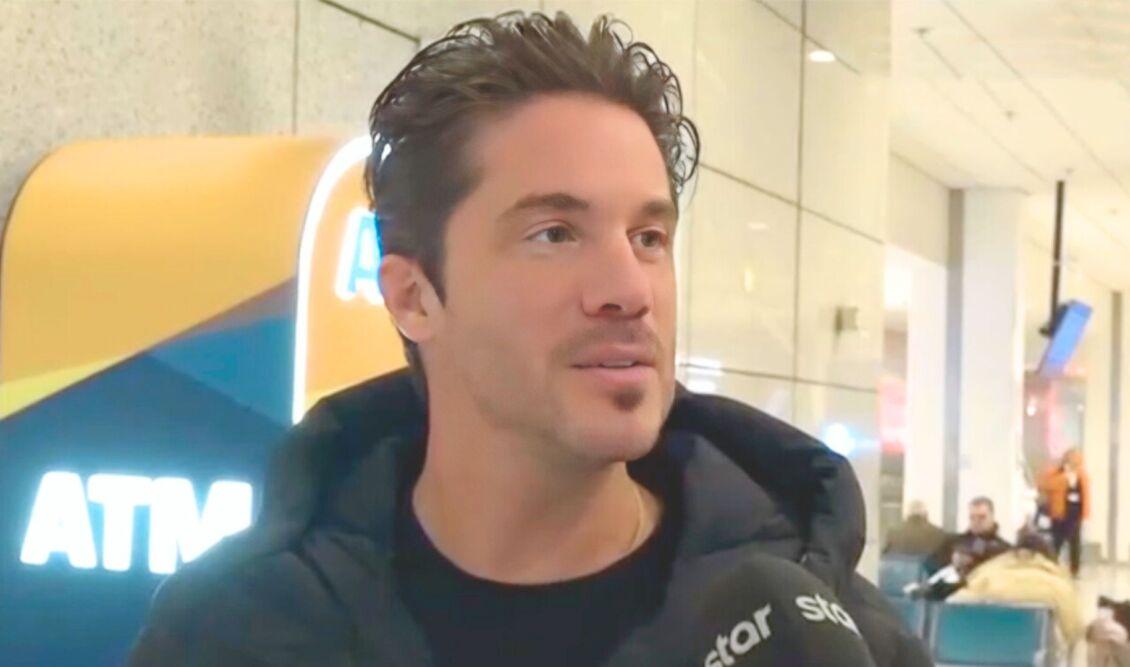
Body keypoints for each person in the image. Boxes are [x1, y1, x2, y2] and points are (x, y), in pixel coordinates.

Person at [127, 11, 929, 667]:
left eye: (649, 237)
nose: (630, 290)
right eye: (555, 233)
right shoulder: (236, 633)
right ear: (413, 296)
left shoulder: (831, 639)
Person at [949, 528, 1082, 649]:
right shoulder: (1057, 586)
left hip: (983, 648)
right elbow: (1073, 631)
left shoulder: (986, 575)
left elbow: (955, 604)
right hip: (1033, 655)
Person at [928, 496, 1012, 574]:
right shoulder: (953, 543)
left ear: (992, 517)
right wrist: (952, 564)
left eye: (982, 517)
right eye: (972, 517)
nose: (976, 522)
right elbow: (931, 566)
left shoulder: (1005, 550)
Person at [1039, 448, 1090, 577]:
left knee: (1075, 543)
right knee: (1057, 541)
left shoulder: (1081, 475)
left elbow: (1085, 493)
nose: (1074, 464)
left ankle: (1075, 569)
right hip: (1059, 513)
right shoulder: (1055, 473)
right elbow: (1045, 486)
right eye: (1071, 460)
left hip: (1075, 512)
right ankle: (1051, 566)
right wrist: (1065, 478)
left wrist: (1084, 512)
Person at [883, 499, 948, 557]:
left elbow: (886, 553)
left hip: (898, 566)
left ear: (907, 514)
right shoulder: (937, 532)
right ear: (926, 514)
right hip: (926, 566)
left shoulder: (894, 532)